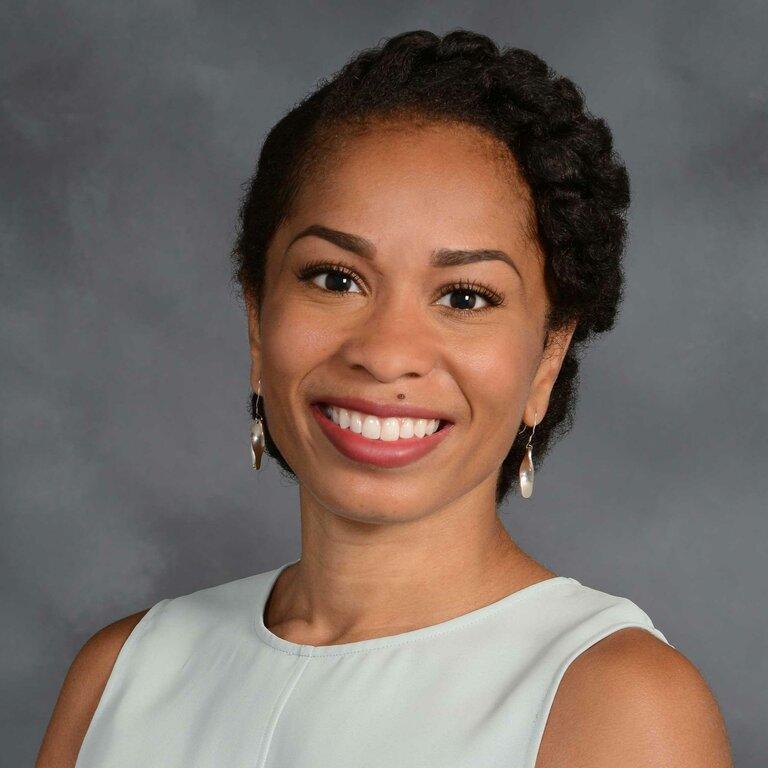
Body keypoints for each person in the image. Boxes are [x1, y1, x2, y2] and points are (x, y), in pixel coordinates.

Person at [36, 29, 733, 768]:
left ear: (547, 359)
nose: (387, 352)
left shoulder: (619, 705)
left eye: (464, 297)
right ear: (256, 318)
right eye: (335, 279)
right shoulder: (120, 675)